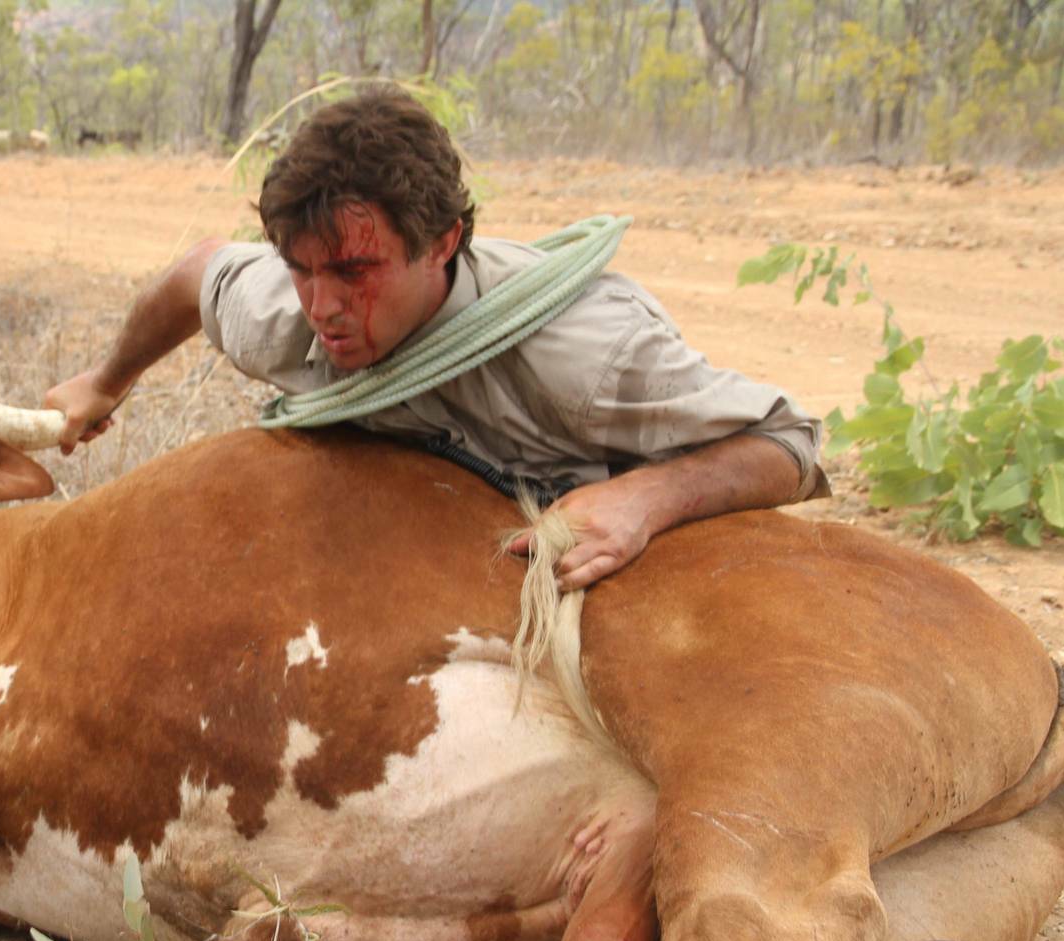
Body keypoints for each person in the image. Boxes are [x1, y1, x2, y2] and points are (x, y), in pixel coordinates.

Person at [43, 89, 826, 590]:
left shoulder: (582, 356)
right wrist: (107, 380)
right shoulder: (290, 311)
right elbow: (196, 274)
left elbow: (791, 442)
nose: (324, 305)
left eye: (355, 270)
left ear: (443, 242)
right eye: (301, 269)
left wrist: (644, 498)